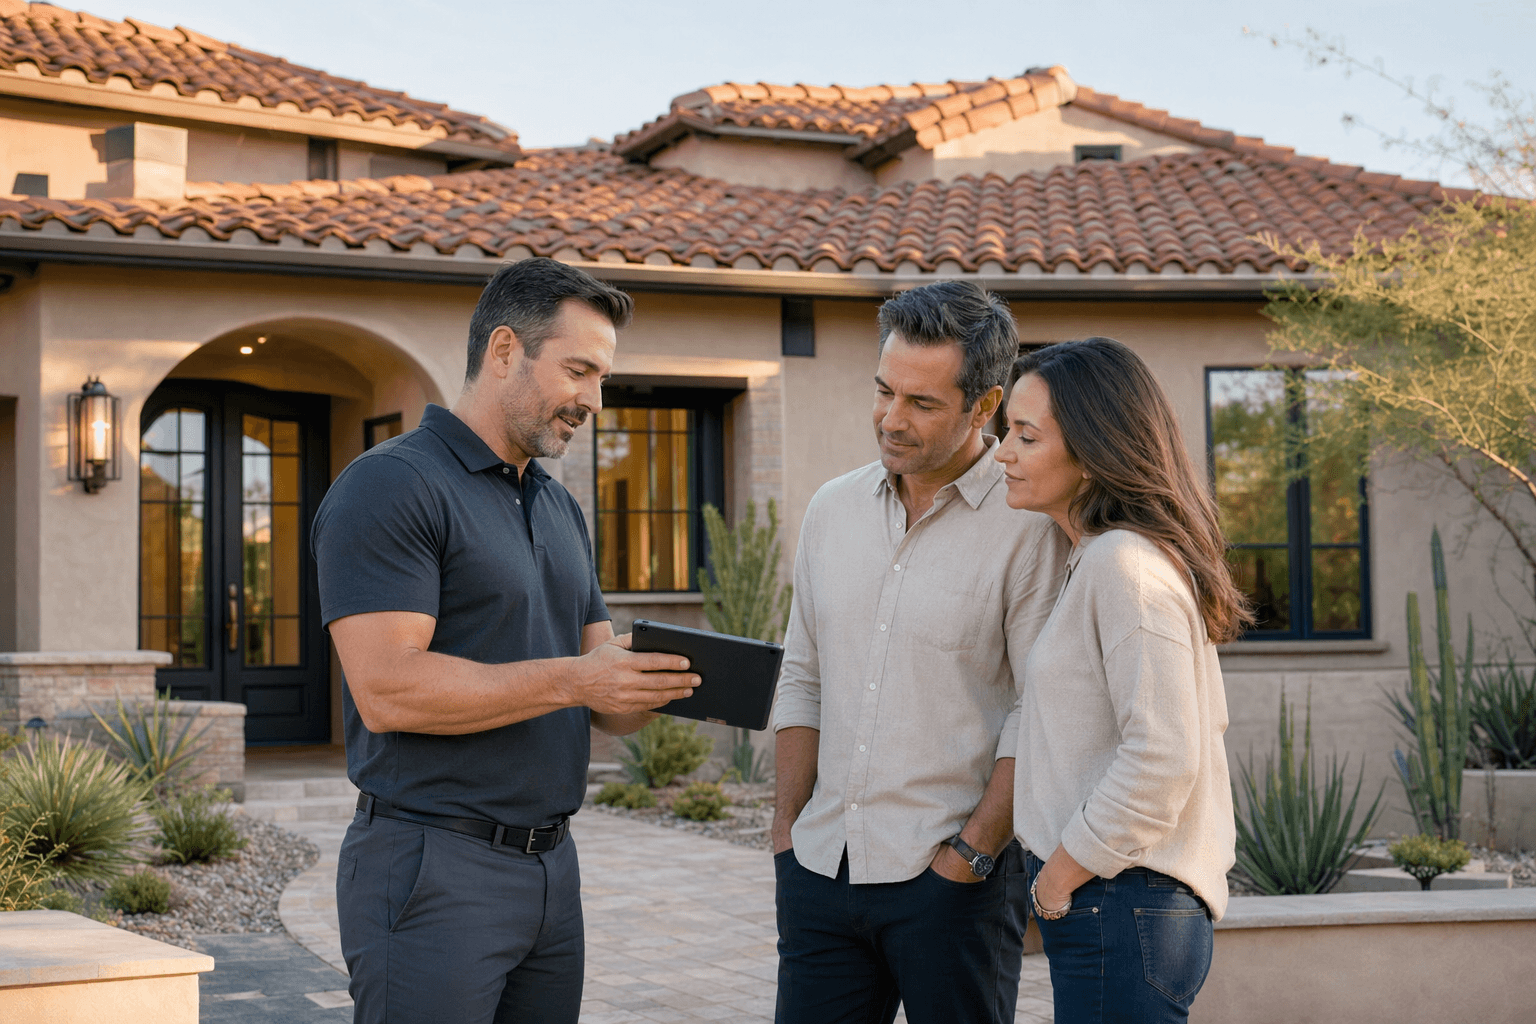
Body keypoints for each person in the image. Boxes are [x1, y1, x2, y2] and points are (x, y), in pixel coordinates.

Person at [312, 257, 700, 1023]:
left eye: (602, 377)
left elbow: (608, 700)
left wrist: (673, 681)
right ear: (502, 351)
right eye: (578, 371)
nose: (594, 400)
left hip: (552, 869)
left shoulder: (558, 509)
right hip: (432, 867)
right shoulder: (391, 485)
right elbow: (387, 689)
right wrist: (578, 680)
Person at [771, 280, 1071, 1024]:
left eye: (922, 404)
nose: (891, 419)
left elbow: (1040, 712)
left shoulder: (1030, 524)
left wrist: (970, 856)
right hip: (821, 870)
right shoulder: (831, 510)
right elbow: (802, 674)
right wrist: (784, 834)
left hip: (954, 884)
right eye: (884, 391)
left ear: (984, 405)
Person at [993, 337, 1248, 1024]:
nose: (1003, 454)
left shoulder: (1125, 567)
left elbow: (1163, 756)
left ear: (1091, 451)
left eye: (1025, 436)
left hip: (1121, 899)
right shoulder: (1094, 561)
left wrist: (1056, 880)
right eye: (1004, 433)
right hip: (1118, 903)